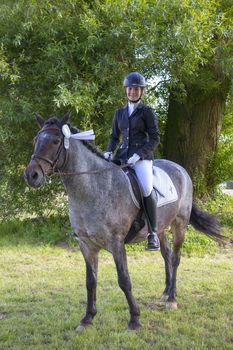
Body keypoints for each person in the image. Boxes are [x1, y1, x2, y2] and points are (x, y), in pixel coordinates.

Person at [104, 72, 160, 251]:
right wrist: (108, 151)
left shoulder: (147, 112)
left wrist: (141, 155)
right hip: (122, 157)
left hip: (141, 158)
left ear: (141, 91)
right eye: (130, 89)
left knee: (146, 188)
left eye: (136, 89)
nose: (132, 92)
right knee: (103, 183)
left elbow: (154, 138)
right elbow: (114, 136)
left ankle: (153, 233)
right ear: (126, 90)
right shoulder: (119, 113)